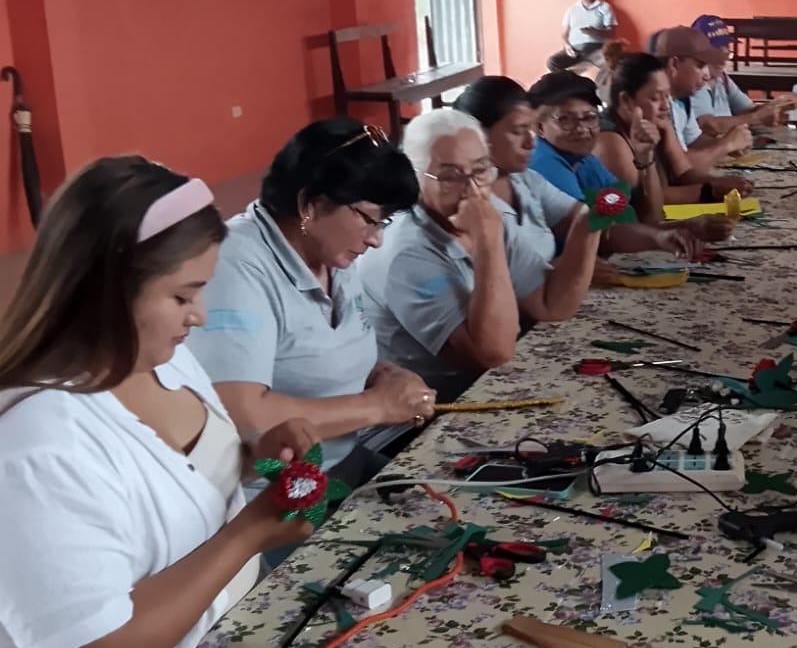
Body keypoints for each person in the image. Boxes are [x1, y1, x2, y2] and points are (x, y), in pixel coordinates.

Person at [0, 157, 438, 648]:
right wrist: (247, 535)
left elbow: (192, 466)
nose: (200, 315)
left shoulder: (161, 359)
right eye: (184, 294)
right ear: (107, 288)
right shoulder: (36, 445)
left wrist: (263, 452)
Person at [187, 119, 436, 485]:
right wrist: (377, 406)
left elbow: (314, 354)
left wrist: (383, 374)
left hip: (344, 463)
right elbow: (240, 413)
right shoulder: (235, 267)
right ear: (311, 205)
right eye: (371, 220)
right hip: (280, 495)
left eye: (383, 223)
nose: (376, 240)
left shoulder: (330, 253)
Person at [357, 108, 597, 400]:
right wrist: (487, 242)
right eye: (450, 177)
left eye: (481, 170)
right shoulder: (405, 252)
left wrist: (590, 225)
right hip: (435, 411)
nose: (471, 190)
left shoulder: (485, 212)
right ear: (415, 178)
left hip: (493, 387)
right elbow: (492, 354)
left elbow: (550, 305)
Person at [523, 70, 731, 245]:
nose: (582, 129)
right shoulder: (545, 163)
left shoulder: (584, 160)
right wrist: (669, 234)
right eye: (566, 120)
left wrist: (645, 157)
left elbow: (638, 219)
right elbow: (597, 236)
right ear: (539, 127)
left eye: (589, 117)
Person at [594, 52, 752, 206]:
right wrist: (710, 191)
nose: (665, 106)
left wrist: (722, 183)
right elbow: (643, 198)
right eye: (655, 98)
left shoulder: (659, 121)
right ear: (626, 100)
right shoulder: (610, 141)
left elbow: (683, 173)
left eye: (667, 96)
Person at [654, 25, 755, 171]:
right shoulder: (655, 104)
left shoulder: (682, 99)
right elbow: (676, 166)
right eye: (700, 66)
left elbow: (695, 141)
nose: (707, 75)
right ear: (674, 64)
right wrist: (726, 145)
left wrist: (730, 142)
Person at [684, 16, 797, 135]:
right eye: (717, 49)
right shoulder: (694, 83)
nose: (724, 55)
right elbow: (708, 126)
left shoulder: (722, 79)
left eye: (727, 47)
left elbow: (747, 111)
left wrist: (778, 104)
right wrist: (758, 117)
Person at [548, 0, 616, 74]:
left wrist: (595, 31)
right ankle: (570, 82)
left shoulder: (605, 7)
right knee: (552, 62)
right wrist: (567, 46)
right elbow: (564, 34)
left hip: (596, 49)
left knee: (611, 64)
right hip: (575, 49)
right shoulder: (572, 9)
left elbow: (612, 33)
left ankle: (600, 84)